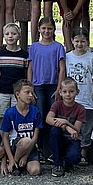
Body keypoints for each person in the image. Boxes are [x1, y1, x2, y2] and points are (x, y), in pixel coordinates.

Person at [27, 16, 66, 156]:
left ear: (54, 29)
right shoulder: (34, 47)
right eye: (44, 28)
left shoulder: (58, 47)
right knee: (40, 117)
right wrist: (30, 88)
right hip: (37, 86)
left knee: (52, 117)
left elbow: (62, 68)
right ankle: (40, 147)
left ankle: (51, 150)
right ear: (39, 29)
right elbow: (30, 68)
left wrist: (59, 88)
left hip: (53, 86)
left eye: (49, 28)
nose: (46, 31)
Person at [64, 29, 93, 166]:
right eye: (77, 41)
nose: (79, 44)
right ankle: (69, 152)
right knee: (70, 126)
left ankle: (84, 153)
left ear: (87, 42)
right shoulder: (68, 57)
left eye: (82, 41)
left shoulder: (91, 57)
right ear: (72, 41)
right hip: (71, 99)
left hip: (86, 97)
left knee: (86, 128)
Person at [0, 80, 43, 176]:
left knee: (35, 171)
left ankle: (19, 164)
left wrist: (26, 156)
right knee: (26, 141)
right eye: (27, 92)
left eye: (32, 92)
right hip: (16, 147)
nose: (31, 95)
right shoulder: (10, 113)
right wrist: (10, 159)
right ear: (18, 94)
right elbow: (5, 137)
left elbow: (35, 137)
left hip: (30, 148)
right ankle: (14, 163)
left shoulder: (35, 111)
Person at [45, 78, 87, 177]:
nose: (68, 94)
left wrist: (66, 122)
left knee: (74, 158)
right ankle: (57, 164)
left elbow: (77, 129)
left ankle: (66, 161)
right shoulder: (57, 105)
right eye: (65, 91)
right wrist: (66, 126)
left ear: (77, 92)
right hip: (58, 139)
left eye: (71, 91)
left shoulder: (80, 108)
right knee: (55, 130)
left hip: (72, 139)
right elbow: (48, 119)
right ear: (60, 92)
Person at [0, 22, 28, 120]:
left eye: (14, 34)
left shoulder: (24, 54)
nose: (10, 36)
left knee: (17, 115)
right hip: (3, 90)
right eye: (7, 34)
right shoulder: (0, 54)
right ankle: (3, 135)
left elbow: (25, 73)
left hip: (18, 92)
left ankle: (15, 135)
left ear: (19, 36)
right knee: (3, 116)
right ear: (4, 36)